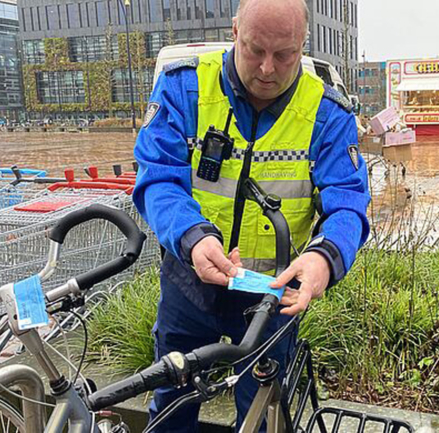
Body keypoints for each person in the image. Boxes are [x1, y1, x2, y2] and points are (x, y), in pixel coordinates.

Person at [132, 0, 370, 431]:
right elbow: (158, 179)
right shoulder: (183, 88)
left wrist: (324, 258)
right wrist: (192, 236)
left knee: (263, 418)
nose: (266, 69)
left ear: (303, 45)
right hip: (191, 280)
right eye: (254, 49)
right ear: (235, 30)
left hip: (272, 296)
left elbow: (349, 202)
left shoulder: (329, 114)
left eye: (284, 55)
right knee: (170, 409)